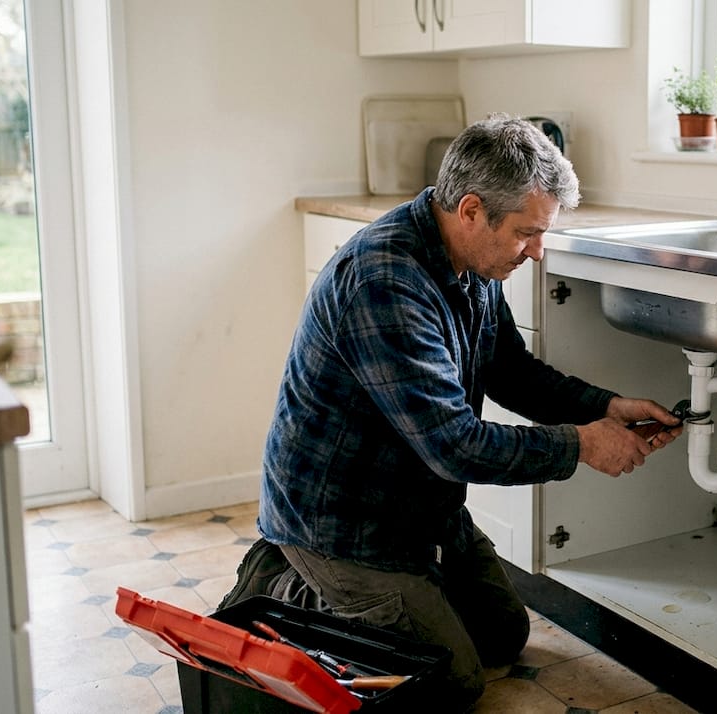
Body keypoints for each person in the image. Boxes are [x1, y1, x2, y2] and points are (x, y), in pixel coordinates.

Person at [257, 114, 683, 710]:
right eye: (527, 233)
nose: (537, 252)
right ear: (472, 210)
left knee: (503, 636)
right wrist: (584, 444)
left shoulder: (474, 261)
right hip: (343, 525)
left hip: (422, 512)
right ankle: (284, 585)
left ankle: (397, 596)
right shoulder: (384, 281)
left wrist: (605, 405)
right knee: (450, 686)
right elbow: (455, 445)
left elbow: (510, 370)